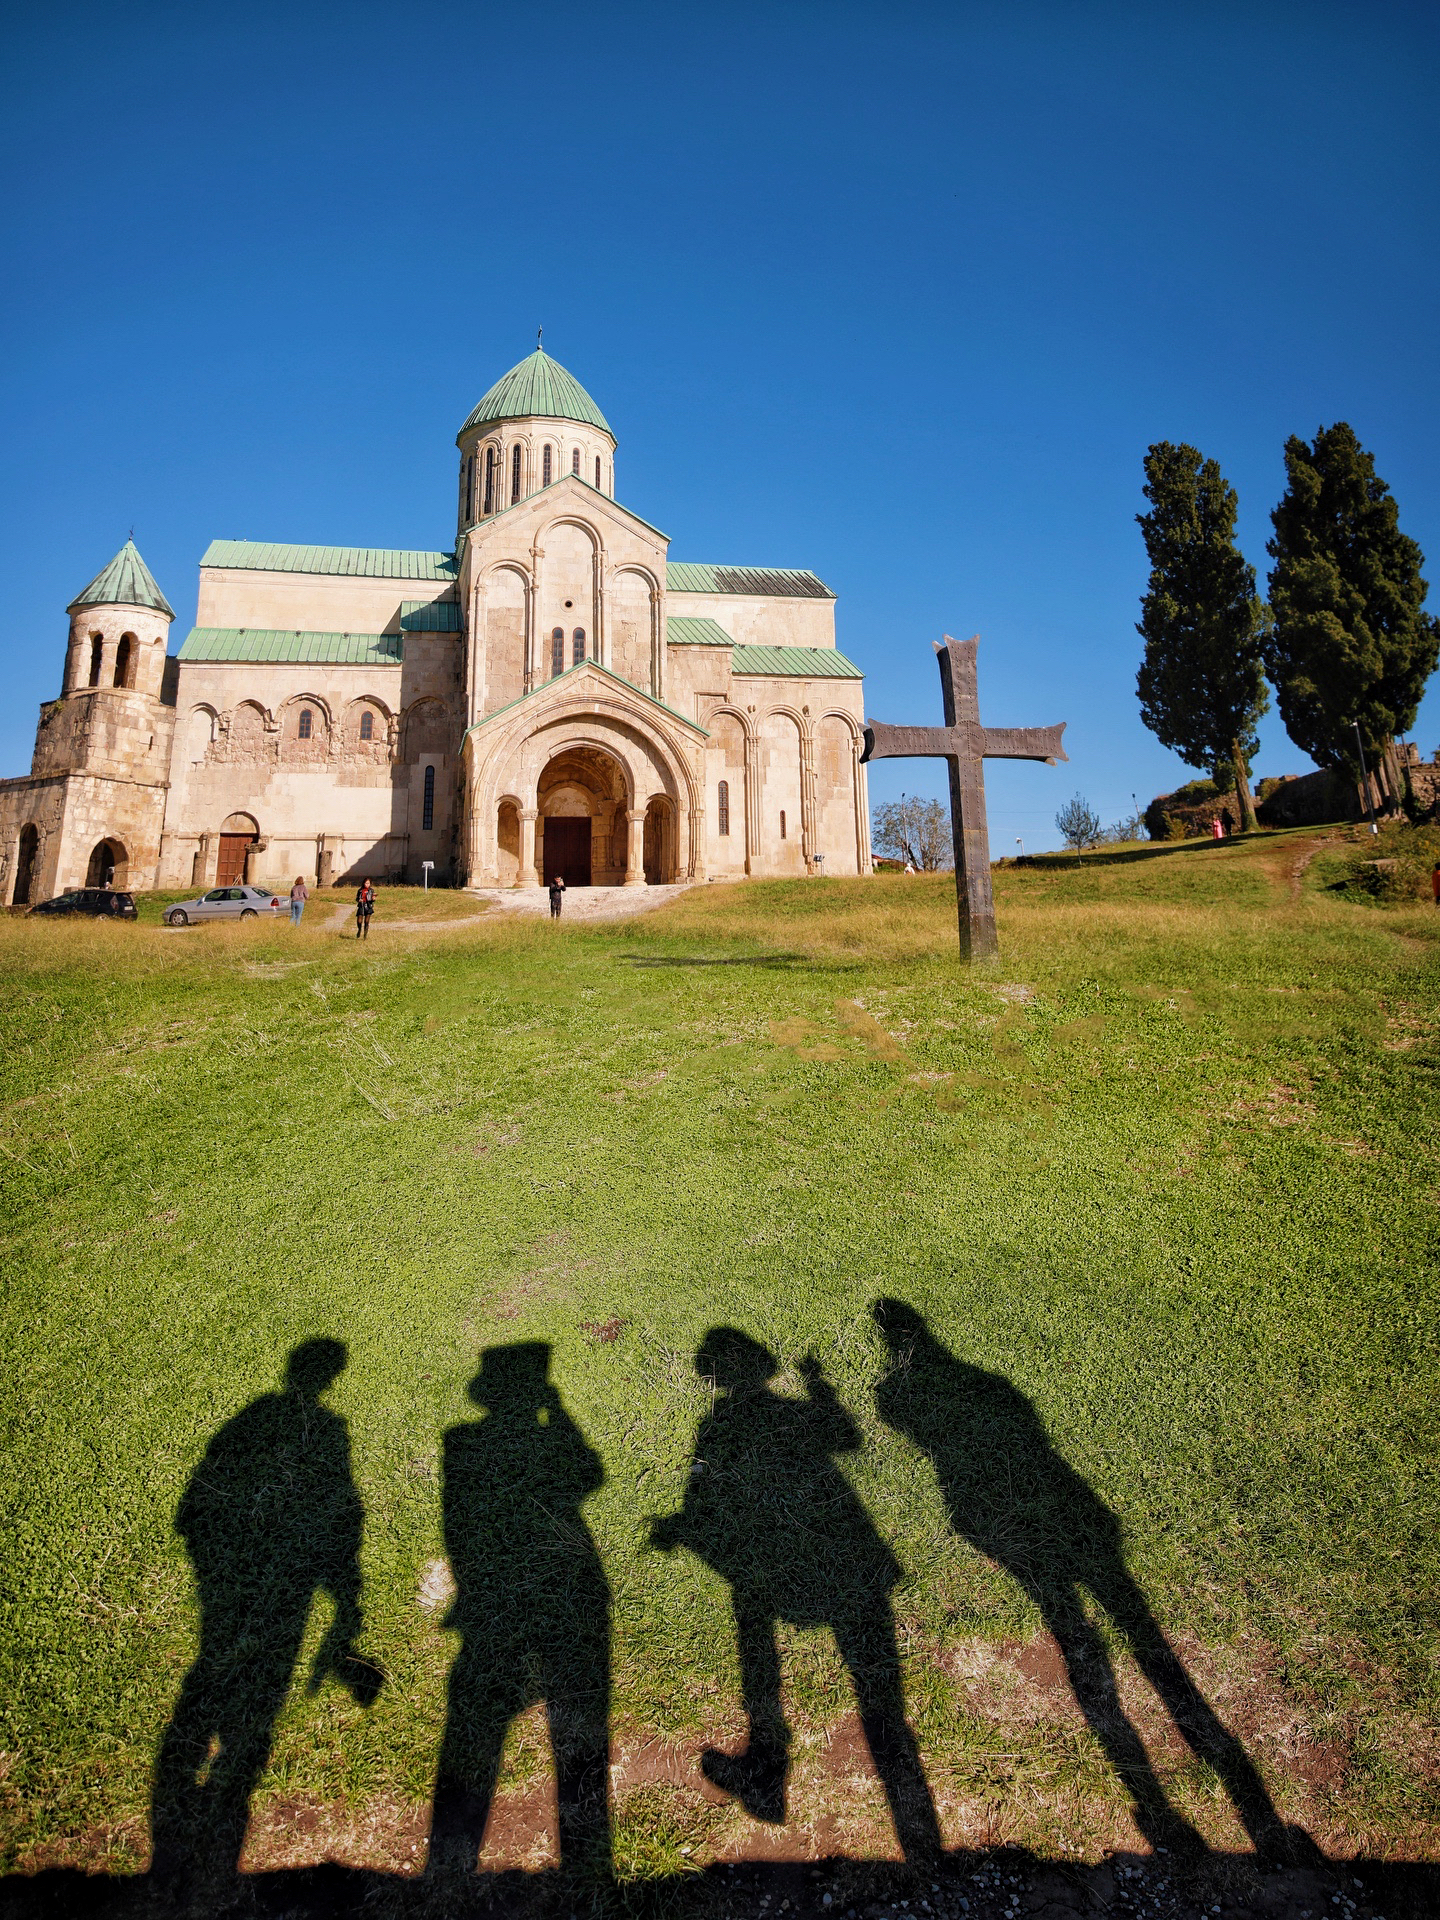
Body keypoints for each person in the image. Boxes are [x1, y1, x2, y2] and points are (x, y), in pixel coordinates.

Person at [650, 1329, 942, 1862]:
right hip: (848, 1545)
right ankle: (913, 1809)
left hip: (778, 1558)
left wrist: (684, 1528)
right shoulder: (775, 1413)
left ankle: (774, 1766)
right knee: (874, 1666)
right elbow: (846, 1436)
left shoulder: (717, 1423)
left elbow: (705, 1492)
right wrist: (819, 1386)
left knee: (761, 1647)